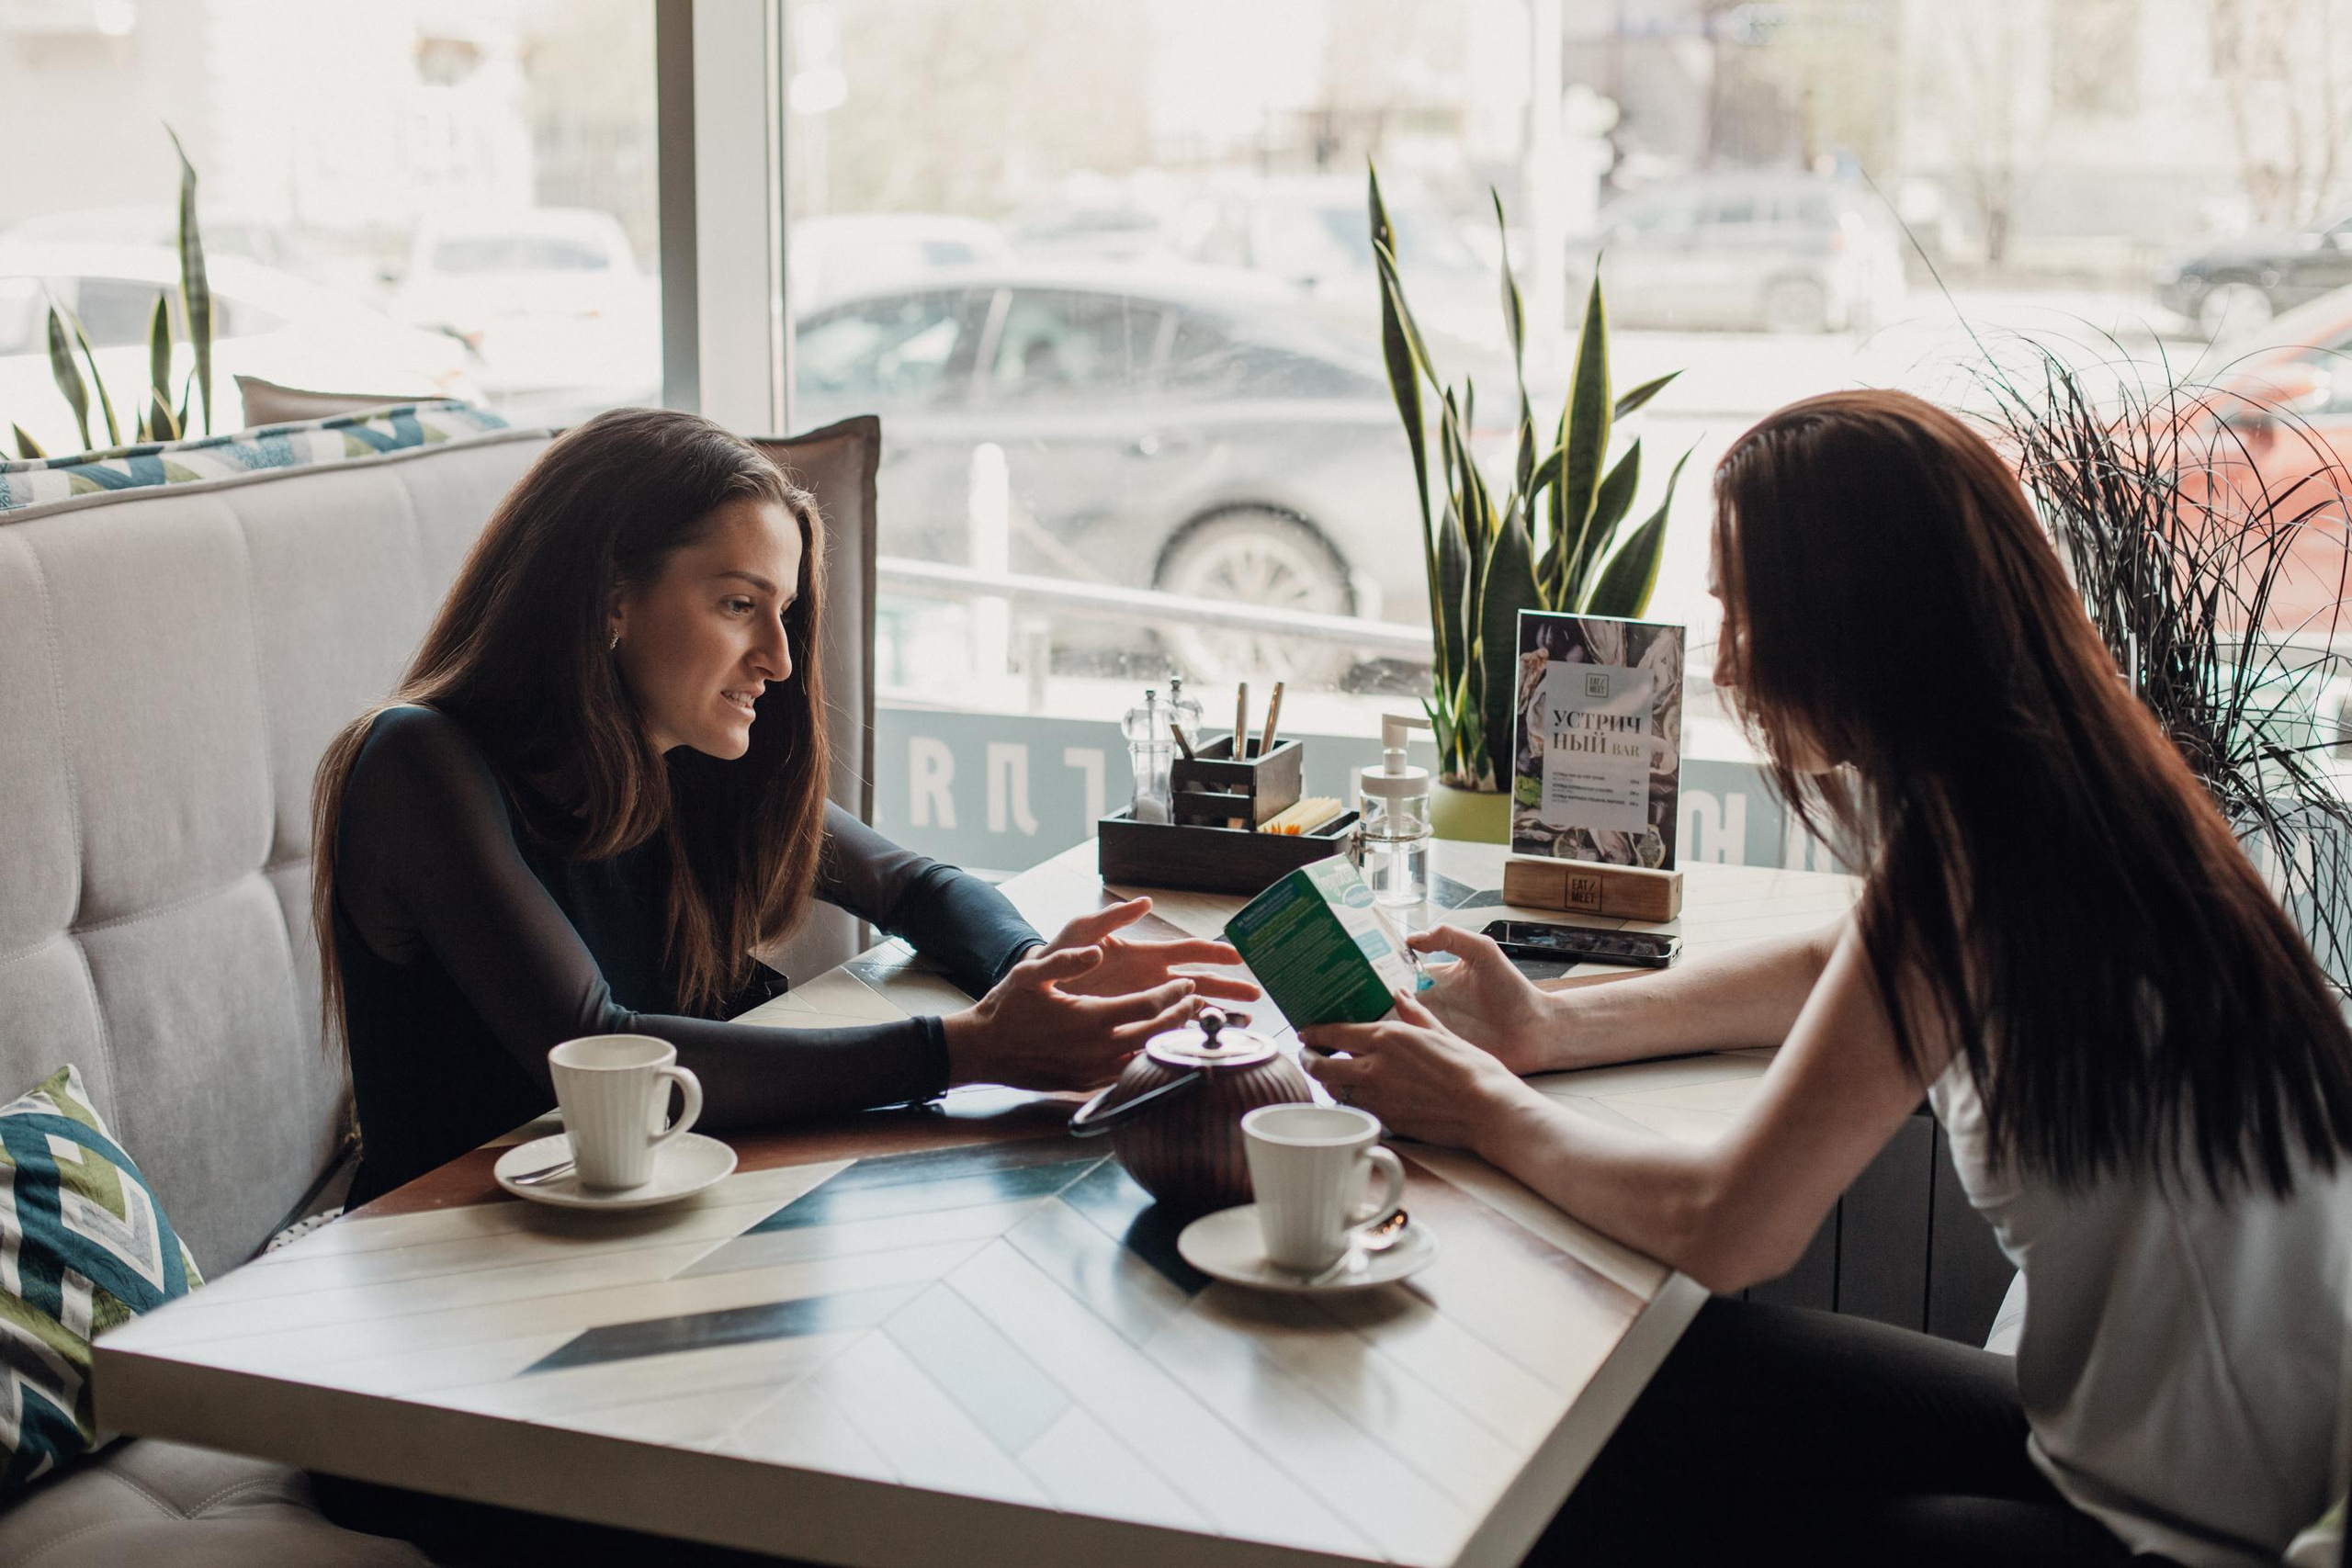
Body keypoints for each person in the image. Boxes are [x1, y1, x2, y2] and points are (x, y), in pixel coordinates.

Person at [1302, 389, 2352, 1568]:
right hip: (2205, 1456)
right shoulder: (2075, 790)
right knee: (1655, 1393)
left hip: (2183, 1528)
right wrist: (1550, 1030)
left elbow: (1729, 1228)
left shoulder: (1987, 843)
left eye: (1738, 605)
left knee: (1618, 1471)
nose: (1730, 655)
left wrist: (1480, 1107)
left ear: (1848, 617)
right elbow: (1839, 963)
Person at [312, 406, 1254, 1212]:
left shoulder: (682, 755)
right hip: (446, 1260)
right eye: (737, 604)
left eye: (784, 613)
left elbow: (918, 886)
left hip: (651, 1217)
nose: (779, 659)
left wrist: (1039, 976)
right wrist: (964, 1051)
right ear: (610, 599)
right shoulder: (420, 763)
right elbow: (600, 1051)